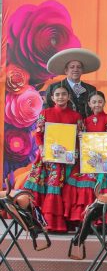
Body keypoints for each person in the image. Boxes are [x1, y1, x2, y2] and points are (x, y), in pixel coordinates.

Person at [24, 84, 83, 233]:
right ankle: (39, 221)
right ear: (52, 98)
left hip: (67, 160)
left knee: (62, 189)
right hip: (47, 158)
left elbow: (80, 137)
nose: (61, 97)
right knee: (43, 187)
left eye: (64, 94)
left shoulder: (76, 116)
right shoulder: (45, 112)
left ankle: (59, 223)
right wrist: (43, 149)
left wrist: (80, 138)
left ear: (69, 97)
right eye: (57, 95)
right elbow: (38, 134)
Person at [63, 91, 107, 227]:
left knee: (100, 183)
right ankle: (82, 219)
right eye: (94, 102)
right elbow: (83, 145)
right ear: (89, 104)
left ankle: (100, 220)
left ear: (104, 103)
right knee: (80, 183)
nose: (97, 104)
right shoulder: (85, 121)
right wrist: (81, 139)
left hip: (104, 160)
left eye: (100, 101)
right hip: (88, 161)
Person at [44, 48, 100, 118]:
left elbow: (96, 111)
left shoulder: (91, 89)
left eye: (79, 67)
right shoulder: (53, 87)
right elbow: (47, 111)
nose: (75, 70)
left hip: (86, 127)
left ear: (82, 70)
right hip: (63, 127)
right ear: (66, 70)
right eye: (72, 67)